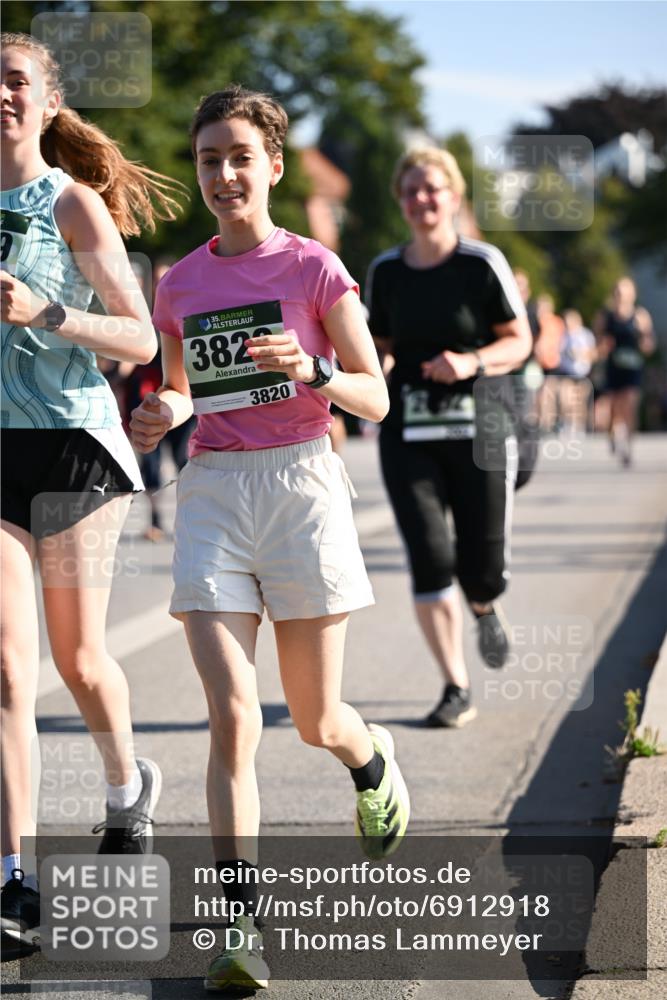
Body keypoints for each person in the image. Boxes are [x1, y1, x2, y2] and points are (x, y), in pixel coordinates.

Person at [129, 85, 410, 992]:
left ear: (273, 167)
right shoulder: (181, 282)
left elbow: (375, 396)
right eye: (208, 158)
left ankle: (369, 762)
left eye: (239, 156)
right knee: (233, 716)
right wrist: (158, 411)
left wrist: (316, 369)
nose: (222, 174)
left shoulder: (314, 269)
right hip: (213, 487)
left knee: (314, 719)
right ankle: (239, 924)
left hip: (301, 484)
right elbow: (176, 392)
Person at [0, 32, 183, 946]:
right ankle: (12, 878)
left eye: (15, 79)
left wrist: (47, 312)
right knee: (3, 668)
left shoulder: (71, 204)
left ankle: (126, 788)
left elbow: (142, 341)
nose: (0, 93)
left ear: (46, 100)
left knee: (76, 661)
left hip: (72, 445)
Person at [366, 147, 531, 730]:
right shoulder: (385, 271)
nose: (422, 199)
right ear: (400, 201)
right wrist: (372, 376)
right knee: (431, 557)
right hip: (408, 432)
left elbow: (520, 342)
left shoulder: (481, 264)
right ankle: (455, 684)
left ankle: (484, 602)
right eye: (411, 190)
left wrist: (471, 363)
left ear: (454, 197)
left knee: (480, 566)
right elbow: (377, 347)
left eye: (432, 188)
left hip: (480, 430)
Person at [126, 258, 196, 540]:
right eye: (156, 279)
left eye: (164, 278)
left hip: (181, 398)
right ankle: (155, 521)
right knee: (151, 465)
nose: (159, 284)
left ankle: (191, 517)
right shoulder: (138, 313)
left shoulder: (182, 310)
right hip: (146, 397)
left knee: (184, 459)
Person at [594, 276, 655, 466]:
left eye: (625, 291)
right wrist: (603, 346)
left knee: (630, 406)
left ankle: (628, 448)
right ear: (614, 294)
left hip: (633, 368)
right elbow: (597, 344)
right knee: (613, 411)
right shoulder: (605, 316)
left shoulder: (640, 315)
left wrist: (645, 342)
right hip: (613, 368)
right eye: (618, 292)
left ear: (632, 294)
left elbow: (649, 345)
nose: (622, 295)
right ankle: (612, 436)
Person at [556, 310, 596, 434]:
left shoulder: (586, 335)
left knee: (579, 401)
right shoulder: (563, 335)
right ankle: (567, 423)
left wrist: (580, 354)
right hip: (566, 372)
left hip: (582, 373)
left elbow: (593, 353)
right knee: (565, 398)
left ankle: (579, 425)